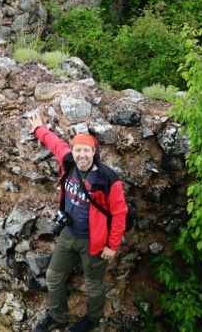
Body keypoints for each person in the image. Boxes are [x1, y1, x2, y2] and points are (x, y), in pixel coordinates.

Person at [28, 111, 129, 332]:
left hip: (94, 242)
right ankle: (58, 316)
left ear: (94, 152)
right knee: (53, 277)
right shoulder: (69, 161)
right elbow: (55, 143)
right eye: (78, 150)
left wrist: (112, 246)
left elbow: (120, 213)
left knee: (93, 284)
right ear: (73, 151)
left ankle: (92, 319)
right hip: (68, 233)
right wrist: (38, 129)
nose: (81, 154)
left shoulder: (108, 179)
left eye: (86, 150)